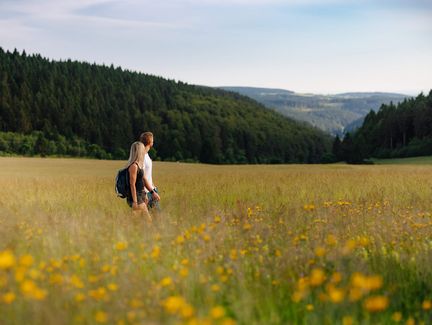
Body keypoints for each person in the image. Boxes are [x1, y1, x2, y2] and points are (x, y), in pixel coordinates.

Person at [125, 141, 152, 222]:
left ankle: (120, 227)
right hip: (136, 197)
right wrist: (135, 201)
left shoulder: (139, 165)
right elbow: (132, 185)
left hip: (141, 195)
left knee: (137, 219)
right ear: (139, 151)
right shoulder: (133, 166)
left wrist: (146, 195)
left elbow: (141, 181)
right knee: (148, 221)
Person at [139, 132, 161, 209]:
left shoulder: (146, 154)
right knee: (156, 217)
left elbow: (148, 175)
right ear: (149, 142)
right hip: (146, 193)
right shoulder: (142, 156)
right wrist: (152, 192)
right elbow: (143, 177)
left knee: (155, 217)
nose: (153, 141)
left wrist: (153, 187)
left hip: (151, 189)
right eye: (152, 140)